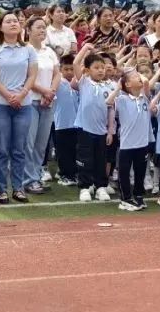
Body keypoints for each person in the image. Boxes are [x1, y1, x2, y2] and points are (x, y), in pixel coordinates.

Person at [0, 11, 38, 204]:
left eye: (16, 21)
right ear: (1, 27)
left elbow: (32, 75)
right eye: (9, 21)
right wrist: (8, 96)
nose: (14, 23)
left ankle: (18, 188)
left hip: (23, 105)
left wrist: (21, 94)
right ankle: (1, 189)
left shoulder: (29, 50)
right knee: (2, 148)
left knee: (19, 149)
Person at [72, 43, 114, 203]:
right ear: (88, 70)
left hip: (101, 131)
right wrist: (85, 49)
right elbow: (76, 63)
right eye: (96, 67)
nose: (101, 70)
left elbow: (111, 110)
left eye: (103, 67)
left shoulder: (109, 87)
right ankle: (85, 187)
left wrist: (110, 131)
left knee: (100, 159)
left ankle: (101, 186)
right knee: (85, 159)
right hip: (85, 129)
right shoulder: (84, 83)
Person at [24, 17, 61, 194]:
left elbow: (57, 74)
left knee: (41, 143)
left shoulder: (49, 52)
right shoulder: (24, 51)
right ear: (28, 30)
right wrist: (44, 91)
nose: (42, 30)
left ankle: (36, 176)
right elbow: (26, 77)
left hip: (48, 102)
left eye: (44, 27)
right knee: (28, 143)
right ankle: (28, 179)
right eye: (38, 27)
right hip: (31, 100)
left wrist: (51, 92)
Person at [107, 69, 151, 211]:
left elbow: (146, 82)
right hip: (127, 144)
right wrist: (119, 88)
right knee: (124, 173)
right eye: (135, 77)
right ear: (127, 84)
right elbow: (108, 101)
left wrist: (137, 74)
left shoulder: (144, 97)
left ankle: (138, 196)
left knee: (140, 172)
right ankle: (125, 199)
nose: (139, 78)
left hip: (142, 143)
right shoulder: (122, 99)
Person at [52, 54, 79, 186]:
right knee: (63, 151)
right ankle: (64, 174)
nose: (69, 72)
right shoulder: (58, 83)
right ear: (61, 70)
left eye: (71, 69)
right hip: (61, 123)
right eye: (66, 69)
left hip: (76, 124)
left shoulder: (77, 84)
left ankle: (72, 173)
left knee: (74, 150)